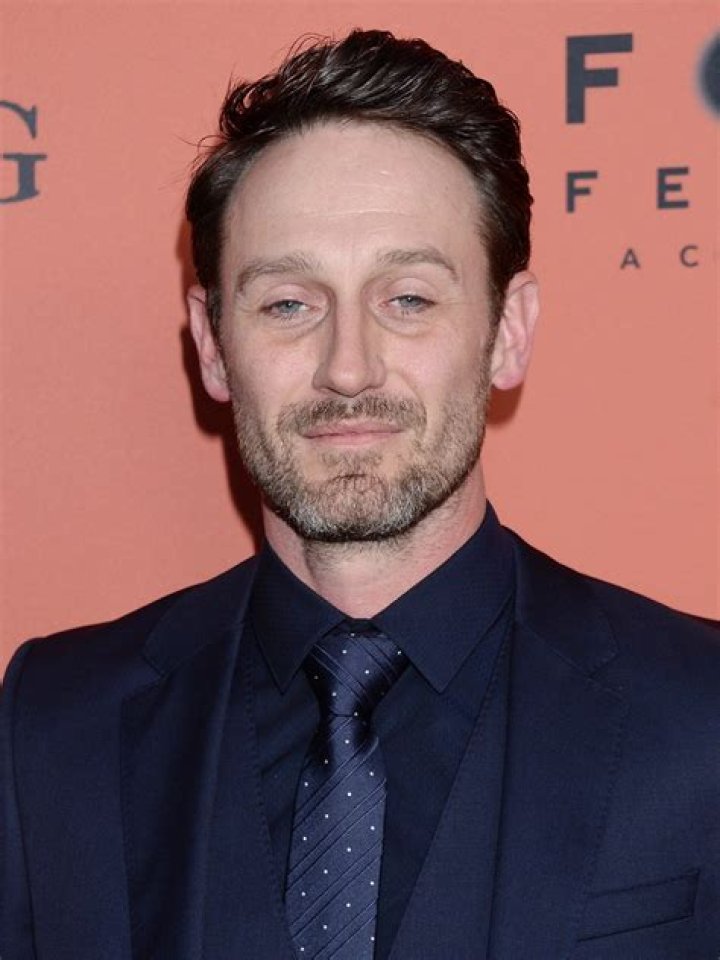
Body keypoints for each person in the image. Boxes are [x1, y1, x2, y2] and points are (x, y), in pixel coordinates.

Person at [2, 29, 718, 960]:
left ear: (507, 333)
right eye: (289, 303)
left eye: (407, 299)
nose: (348, 368)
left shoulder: (701, 712)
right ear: (212, 345)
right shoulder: (54, 726)